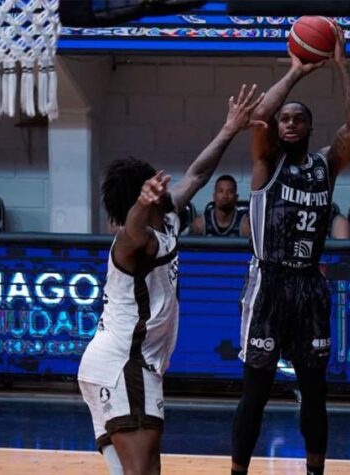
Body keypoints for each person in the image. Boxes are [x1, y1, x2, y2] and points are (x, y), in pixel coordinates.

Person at [77, 84, 265, 475]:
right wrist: (140, 205)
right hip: (124, 363)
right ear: (140, 197)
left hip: (121, 365)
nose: (163, 185)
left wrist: (230, 128)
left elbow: (198, 173)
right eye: (152, 184)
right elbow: (131, 231)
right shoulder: (134, 241)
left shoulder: (168, 217)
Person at [231, 24, 350, 475]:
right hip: (269, 282)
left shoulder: (326, 165)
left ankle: (314, 470)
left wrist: (342, 65)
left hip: (308, 283)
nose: (289, 123)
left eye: (298, 118)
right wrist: (295, 71)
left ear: (309, 127)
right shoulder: (266, 161)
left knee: (315, 391)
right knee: (255, 393)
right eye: (284, 119)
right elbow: (259, 117)